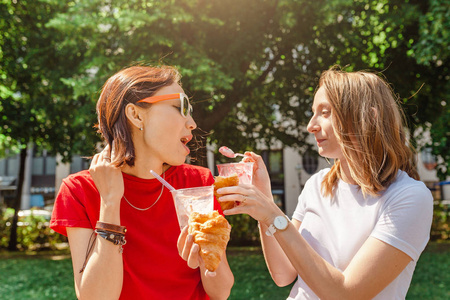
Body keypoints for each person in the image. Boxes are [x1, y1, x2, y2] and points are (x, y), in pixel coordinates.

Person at [217, 67, 433, 299]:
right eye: (313, 112)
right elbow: (283, 274)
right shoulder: (317, 185)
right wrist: (265, 202)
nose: (311, 125)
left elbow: (345, 293)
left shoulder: (409, 197)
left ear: (369, 117)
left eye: (325, 112)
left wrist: (273, 215)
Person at [50, 65, 234, 300]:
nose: (192, 123)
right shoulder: (79, 190)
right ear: (136, 115)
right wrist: (109, 201)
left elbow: (221, 291)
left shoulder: (197, 183)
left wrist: (208, 256)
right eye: (182, 107)